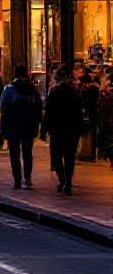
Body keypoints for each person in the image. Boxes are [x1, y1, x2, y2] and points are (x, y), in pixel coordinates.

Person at [41, 66, 84, 195]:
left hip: (57, 129)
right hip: (72, 129)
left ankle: (62, 179)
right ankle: (68, 182)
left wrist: (44, 130)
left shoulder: (54, 92)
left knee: (57, 156)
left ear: (56, 79)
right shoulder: (75, 92)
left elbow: (48, 113)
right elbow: (79, 112)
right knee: (70, 157)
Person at [0, 64, 43, 189]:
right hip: (28, 124)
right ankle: (28, 179)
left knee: (14, 153)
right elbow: (38, 107)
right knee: (27, 152)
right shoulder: (32, 89)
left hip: (12, 125)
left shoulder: (9, 89)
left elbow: (3, 107)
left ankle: (17, 179)